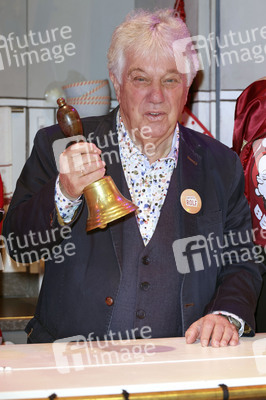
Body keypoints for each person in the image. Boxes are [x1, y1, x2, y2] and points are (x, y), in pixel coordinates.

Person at [3, 9, 262, 346]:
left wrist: (227, 313)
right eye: (141, 79)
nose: (157, 95)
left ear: (187, 89)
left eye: (170, 80)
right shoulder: (61, 146)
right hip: (73, 368)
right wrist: (63, 194)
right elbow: (19, 246)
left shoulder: (220, 164)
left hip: (179, 370)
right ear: (117, 82)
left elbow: (241, 260)